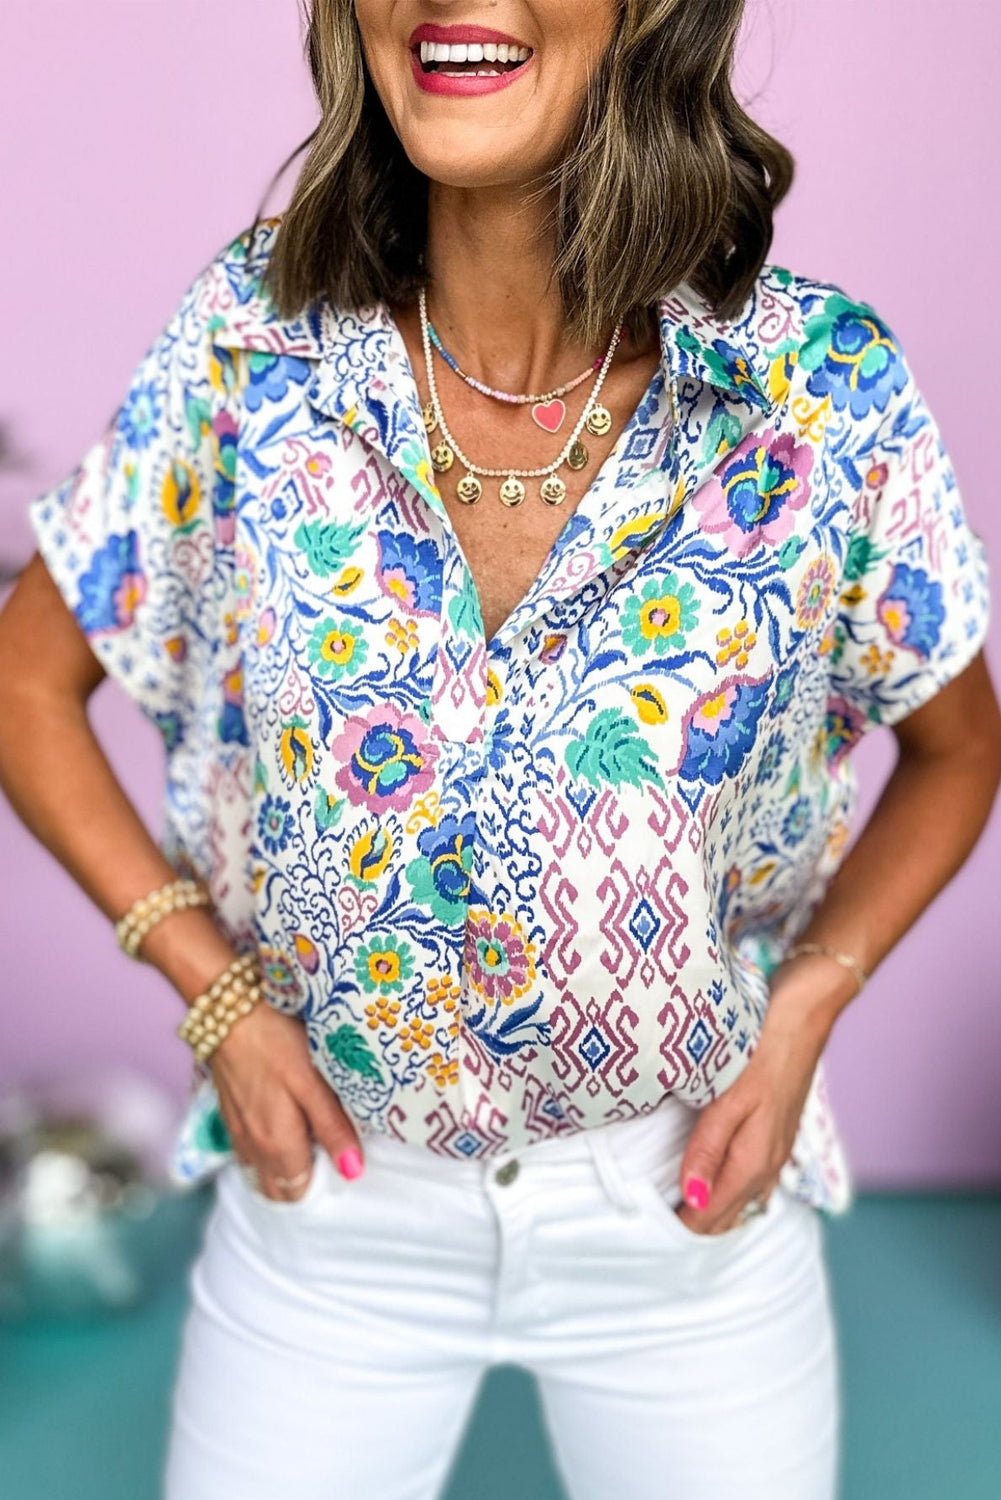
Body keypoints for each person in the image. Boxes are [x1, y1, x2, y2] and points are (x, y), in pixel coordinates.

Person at [2, 2, 999, 1497]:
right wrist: (211, 994)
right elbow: (25, 683)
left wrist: (803, 1012)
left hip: (684, 1213)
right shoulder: (251, 341)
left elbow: (957, 746)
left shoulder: (819, 390)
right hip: (329, 1215)